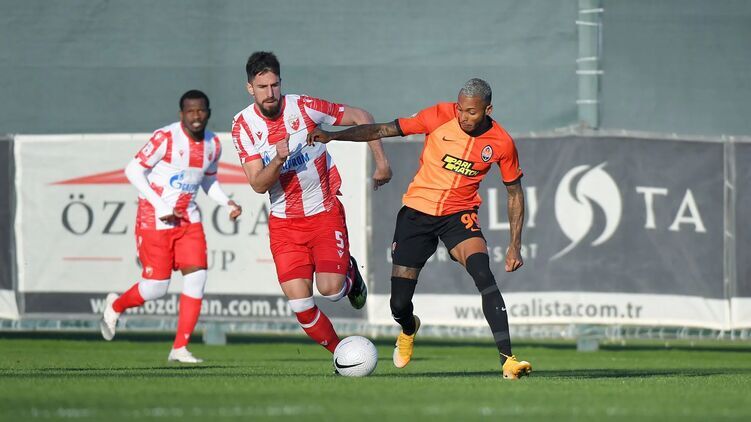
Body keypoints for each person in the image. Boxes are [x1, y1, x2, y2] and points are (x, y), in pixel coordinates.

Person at [307, 78, 532, 379]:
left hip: (459, 215)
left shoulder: (502, 142)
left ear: (487, 110)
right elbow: (383, 129)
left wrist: (515, 244)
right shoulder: (438, 115)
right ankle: (409, 327)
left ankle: (508, 360)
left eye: (471, 112)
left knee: (484, 275)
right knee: (399, 304)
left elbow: (515, 193)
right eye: (460, 109)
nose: (463, 117)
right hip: (417, 213)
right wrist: (333, 136)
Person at [231, 51, 392, 356]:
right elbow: (258, 184)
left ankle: (350, 274)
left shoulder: (304, 107)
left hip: (323, 213)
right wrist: (278, 160)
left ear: (281, 82)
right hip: (284, 224)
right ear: (250, 88)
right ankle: (343, 355)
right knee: (301, 306)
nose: (270, 93)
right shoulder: (243, 126)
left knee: (330, 291)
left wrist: (381, 162)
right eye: (262, 87)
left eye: (275, 85)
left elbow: (362, 116)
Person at [100, 90, 242, 363]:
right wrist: (161, 205)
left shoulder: (213, 144)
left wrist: (227, 203)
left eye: (201, 110)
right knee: (156, 288)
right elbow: (132, 170)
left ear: (209, 113)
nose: (196, 116)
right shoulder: (165, 137)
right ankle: (115, 306)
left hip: (188, 218)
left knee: (197, 276)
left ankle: (180, 348)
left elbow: (208, 181)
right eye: (190, 111)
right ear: (181, 115)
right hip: (155, 218)